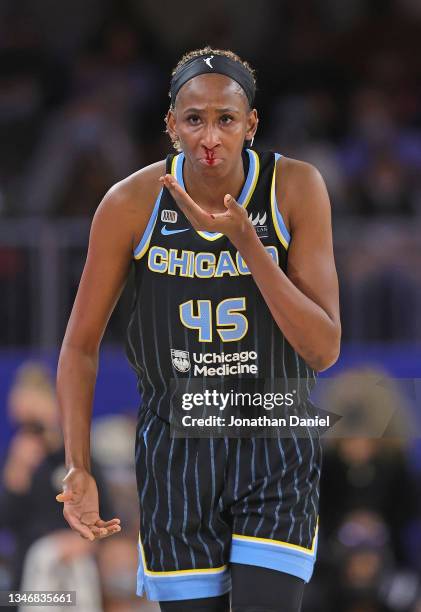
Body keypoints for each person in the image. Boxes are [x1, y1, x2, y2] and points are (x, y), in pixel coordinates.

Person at [56, 47, 341, 612]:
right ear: (171, 125)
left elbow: (324, 348)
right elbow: (79, 346)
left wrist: (248, 245)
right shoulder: (130, 204)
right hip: (176, 455)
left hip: (274, 440)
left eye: (226, 120)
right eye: (194, 119)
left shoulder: (295, 188)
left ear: (251, 124)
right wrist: (78, 464)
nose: (210, 136)